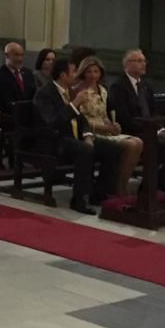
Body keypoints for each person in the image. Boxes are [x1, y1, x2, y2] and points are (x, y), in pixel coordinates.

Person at [33, 59, 121, 214]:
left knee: (112, 148)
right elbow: (53, 122)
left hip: (74, 138)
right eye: (73, 72)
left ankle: (98, 193)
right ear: (63, 75)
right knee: (84, 150)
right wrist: (74, 105)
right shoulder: (45, 94)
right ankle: (79, 200)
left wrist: (87, 135)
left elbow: (82, 120)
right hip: (55, 140)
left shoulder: (70, 91)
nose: (76, 75)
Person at [72, 57, 143, 197]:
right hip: (90, 132)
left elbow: (104, 115)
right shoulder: (77, 91)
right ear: (82, 73)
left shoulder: (103, 90)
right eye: (89, 72)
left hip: (105, 129)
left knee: (138, 142)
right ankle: (117, 188)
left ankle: (121, 183)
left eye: (96, 71)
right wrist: (102, 128)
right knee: (130, 145)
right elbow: (79, 120)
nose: (93, 75)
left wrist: (112, 124)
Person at [107, 49, 156, 136]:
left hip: (149, 129)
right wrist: (147, 129)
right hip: (131, 131)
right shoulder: (118, 87)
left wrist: (158, 128)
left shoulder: (147, 86)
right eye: (139, 61)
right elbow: (123, 117)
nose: (144, 64)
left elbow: (153, 111)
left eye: (144, 61)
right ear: (127, 64)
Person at [0, 42, 37, 109]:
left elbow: (34, 95)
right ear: (6, 55)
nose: (20, 59)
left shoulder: (28, 73)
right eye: (17, 55)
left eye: (22, 55)